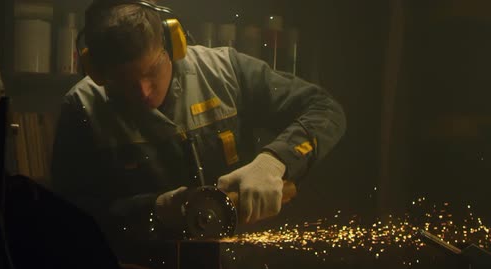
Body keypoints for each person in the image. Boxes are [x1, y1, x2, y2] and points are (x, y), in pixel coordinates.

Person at [51, 0, 346, 256]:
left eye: (152, 71)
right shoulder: (82, 108)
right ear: (97, 72)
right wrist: (152, 209)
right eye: (125, 81)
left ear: (173, 43)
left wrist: (274, 161)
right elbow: (68, 217)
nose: (143, 91)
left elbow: (325, 109)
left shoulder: (226, 71)